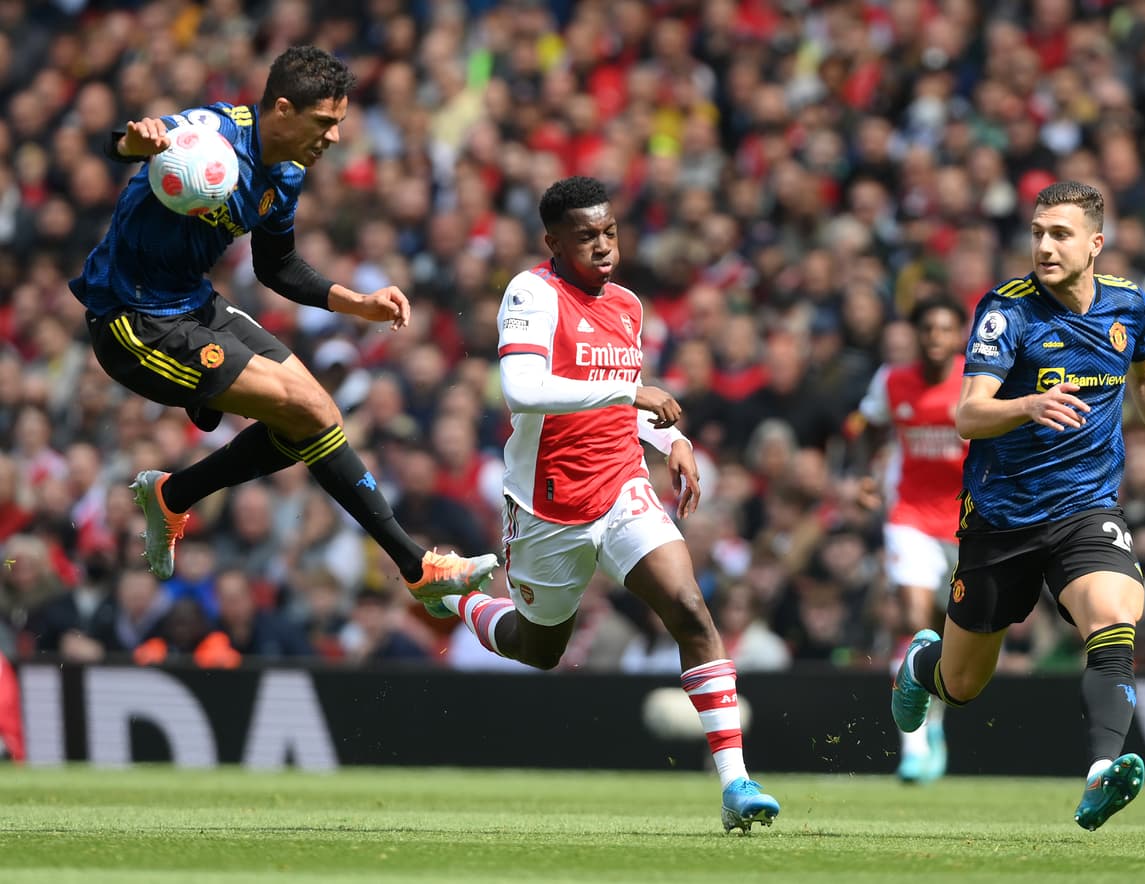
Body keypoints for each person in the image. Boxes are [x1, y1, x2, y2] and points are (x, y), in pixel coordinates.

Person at [407, 176, 779, 833]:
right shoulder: (531, 293)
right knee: (538, 649)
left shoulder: (628, 305)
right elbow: (523, 389)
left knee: (690, 608)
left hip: (623, 486)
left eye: (609, 232)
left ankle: (735, 783)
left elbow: (622, 402)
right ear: (554, 242)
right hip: (547, 504)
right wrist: (631, 394)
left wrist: (672, 440)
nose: (603, 245)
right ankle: (457, 596)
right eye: (586, 236)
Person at [67, 46, 495, 601]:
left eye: (339, 123)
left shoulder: (287, 172)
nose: (334, 137)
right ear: (285, 110)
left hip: (194, 304)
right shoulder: (212, 133)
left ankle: (174, 495)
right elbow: (125, 144)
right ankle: (419, 569)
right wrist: (135, 143)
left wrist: (356, 302)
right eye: (325, 122)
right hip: (133, 321)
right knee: (310, 411)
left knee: (321, 417)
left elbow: (277, 265)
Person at [890, 181, 1145, 830]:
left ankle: (1100, 773)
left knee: (1114, 615)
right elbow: (968, 415)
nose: (1044, 246)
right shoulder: (1007, 312)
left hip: (1086, 508)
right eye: (1037, 233)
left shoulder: (1128, 306)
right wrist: (1028, 404)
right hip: (1001, 518)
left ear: (1096, 243)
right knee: (962, 686)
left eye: (1060, 234)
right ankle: (920, 666)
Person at [857, 296, 968, 783]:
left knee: (950, 634)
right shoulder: (891, 381)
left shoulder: (977, 381)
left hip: (969, 522)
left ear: (959, 336)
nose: (935, 337)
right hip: (910, 516)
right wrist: (867, 474)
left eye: (945, 329)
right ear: (917, 335)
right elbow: (869, 425)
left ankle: (935, 719)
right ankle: (914, 744)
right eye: (928, 329)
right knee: (913, 619)